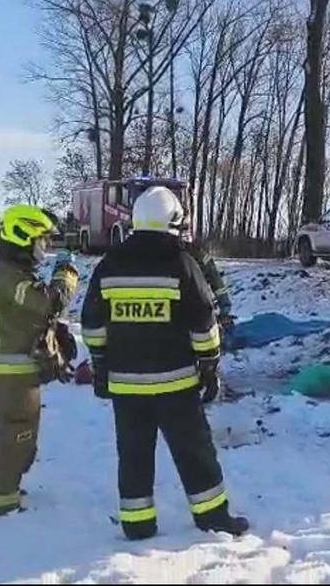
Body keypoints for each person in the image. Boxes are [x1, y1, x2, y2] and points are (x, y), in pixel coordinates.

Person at [81, 186, 248, 540]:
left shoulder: (109, 265)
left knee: (134, 455)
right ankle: (212, 518)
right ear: (174, 221)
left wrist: (100, 365)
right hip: (176, 385)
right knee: (194, 453)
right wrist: (209, 366)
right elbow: (204, 322)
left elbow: (92, 324)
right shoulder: (182, 264)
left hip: (126, 386)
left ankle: (137, 524)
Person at [0, 205, 79, 518]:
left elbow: (29, 316)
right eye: (42, 240)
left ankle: (6, 489)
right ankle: (0, 501)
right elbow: (47, 303)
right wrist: (66, 275)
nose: (45, 248)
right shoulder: (6, 277)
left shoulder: (8, 272)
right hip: (11, 376)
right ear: (23, 237)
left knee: (22, 439)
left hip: (14, 373)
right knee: (16, 437)